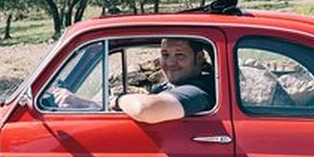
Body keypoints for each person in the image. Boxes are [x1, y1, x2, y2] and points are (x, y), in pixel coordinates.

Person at [52, 38, 214, 124]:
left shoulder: (198, 90)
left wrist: (117, 99)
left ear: (199, 57)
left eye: (180, 55)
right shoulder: (169, 87)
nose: (170, 63)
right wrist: (81, 102)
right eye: (165, 55)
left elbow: (145, 110)